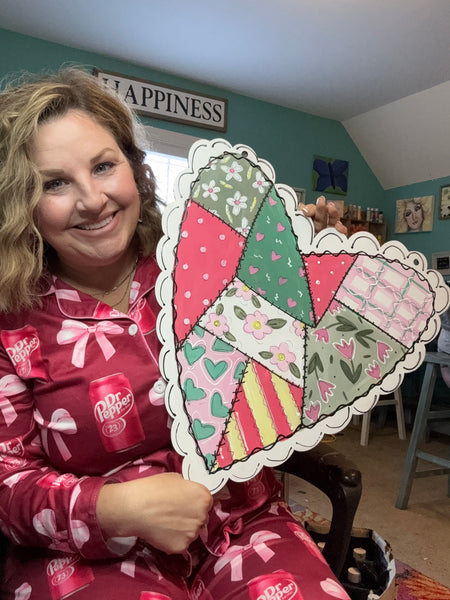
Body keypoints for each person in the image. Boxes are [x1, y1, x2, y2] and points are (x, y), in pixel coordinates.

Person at [0, 67, 349, 600]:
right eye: (55, 183)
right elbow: (7, 481)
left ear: (133, 169)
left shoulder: (207, 264)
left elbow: (292, 381)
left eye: (103, 166)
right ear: (21, 203)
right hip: (85, 555)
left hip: (244, 524)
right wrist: (113, 508)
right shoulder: (13, 322)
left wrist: (310, 284)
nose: (92, 199)